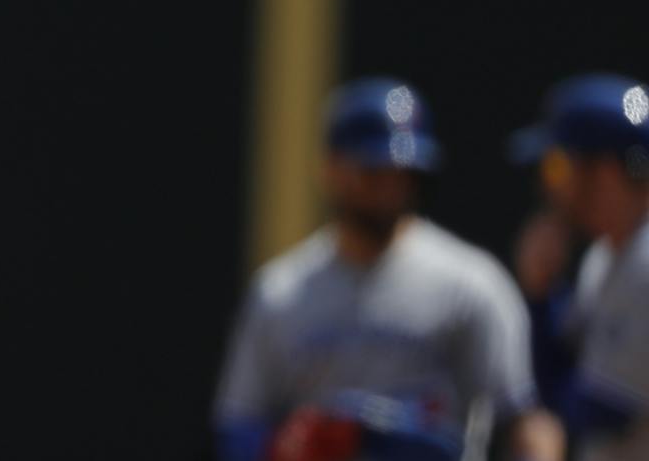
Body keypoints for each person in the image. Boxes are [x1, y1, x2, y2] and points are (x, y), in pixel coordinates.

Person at [213, 77, 564, 461]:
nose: (391, 185)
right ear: (329, 168)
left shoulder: (470, 282)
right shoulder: (281, 292)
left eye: (404, 172)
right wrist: (279, 446)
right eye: (374, 170)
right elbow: (237, 426)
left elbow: (524, 420)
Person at [509, 72, 649, 461]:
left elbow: (593, 412)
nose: (548, 185)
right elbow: (562, 370)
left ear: (604, 174)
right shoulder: (605, 257)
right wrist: (542, 292)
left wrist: (541, 299)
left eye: (557, 167)